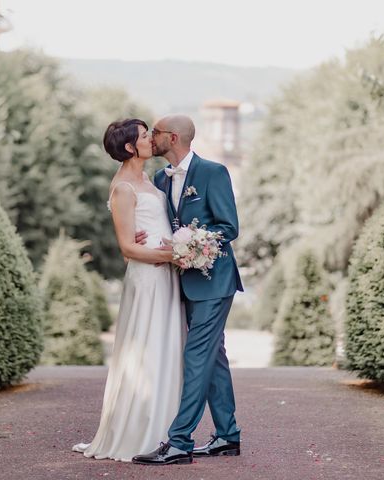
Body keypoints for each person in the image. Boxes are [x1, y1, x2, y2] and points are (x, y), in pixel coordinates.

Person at [71, 119, 187, 462]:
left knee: (165, 348)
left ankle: (165, 429)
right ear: (129, 148)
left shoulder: (147, 179)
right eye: (144, 136)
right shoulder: (123, 187)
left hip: (164, 273)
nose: (152, 139)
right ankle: (140, 431)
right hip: (149, 277)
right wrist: (176, 254)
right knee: (147, 352)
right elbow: (128, 249)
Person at [132, 114, 244, 466]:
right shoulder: (159, 180)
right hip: (180, 283)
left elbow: (229, 227)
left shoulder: (213, 172)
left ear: (174, 137)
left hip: (214, 283)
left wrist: (191, 245)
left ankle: (179, 440)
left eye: (157, 133)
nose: (152, 138)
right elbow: (163, 224)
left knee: (196, 357)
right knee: (214, 357)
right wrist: (145, 237)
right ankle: (227, 435)